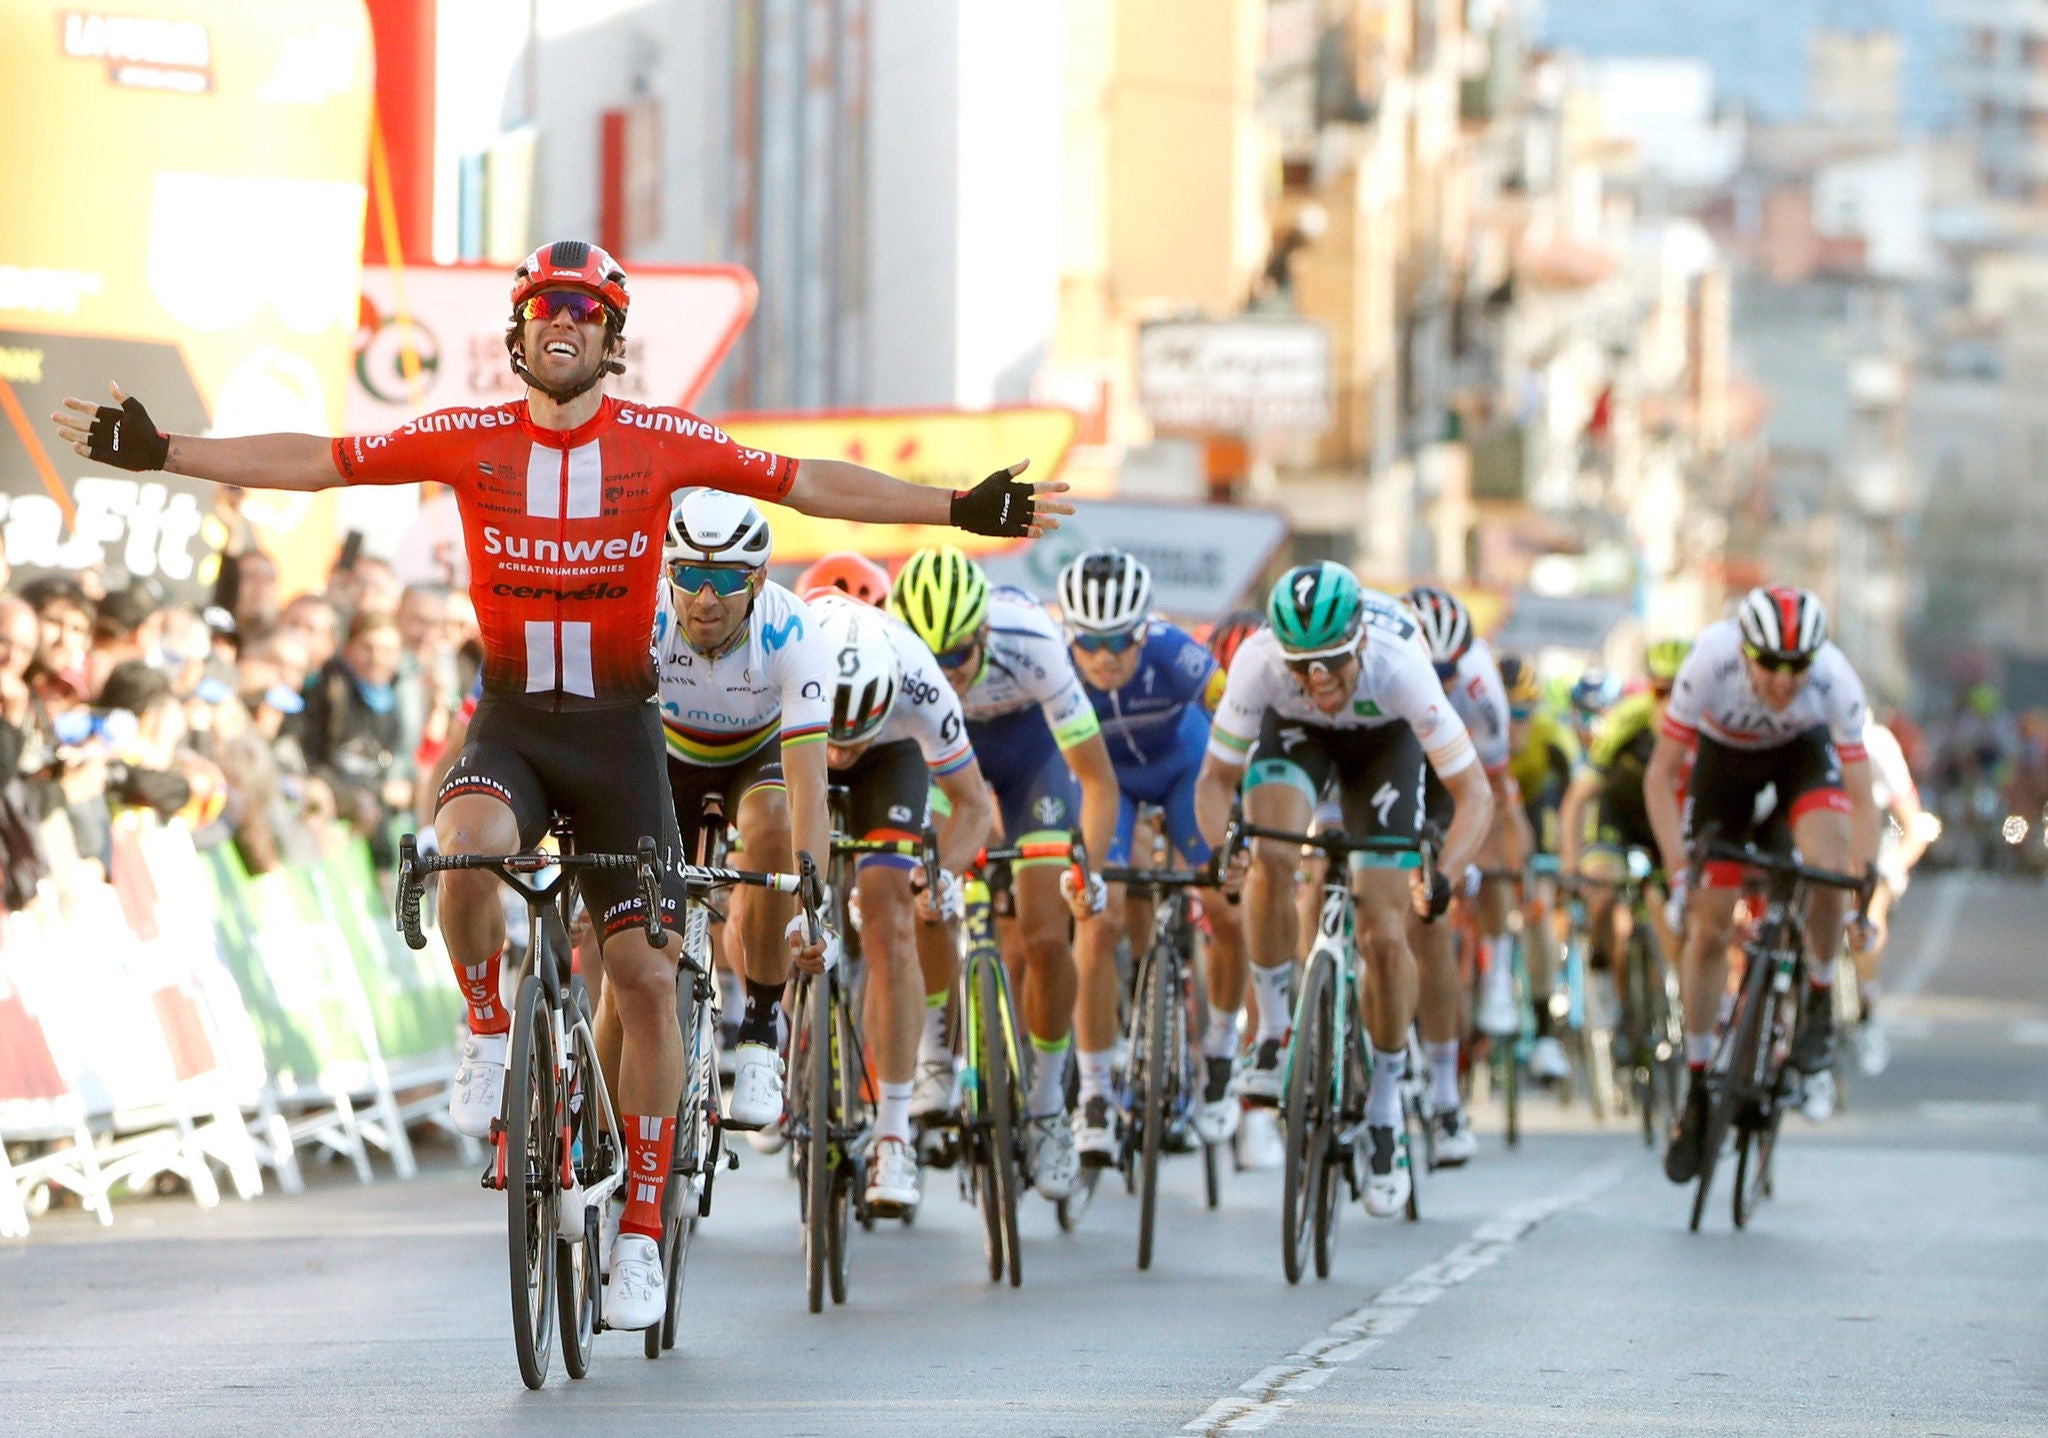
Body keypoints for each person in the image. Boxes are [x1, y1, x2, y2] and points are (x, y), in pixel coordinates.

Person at [52, 237, 1069, 1332]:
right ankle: (488, 1027)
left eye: (584, 312)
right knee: (464, 847)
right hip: (514, 722)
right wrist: (167, 452)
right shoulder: (467, 436)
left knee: (637, 974)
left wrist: (959, 505)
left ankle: (639, 1230)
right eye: (544, 307)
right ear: (519, 330)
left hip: (621, 734)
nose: (562, 323)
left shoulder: (660, 441)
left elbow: (812, 484)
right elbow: (321, 458)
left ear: (610, 339)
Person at [1193, 562, 1495, 1216]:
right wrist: (1226, 851)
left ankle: (1385, 1109)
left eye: (1331, 662)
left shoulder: (1402, 665)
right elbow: (1216, 781)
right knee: (1273, 852)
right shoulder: (1260, 663)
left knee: (1386, 931)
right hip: (1297, 737)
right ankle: (1273, 1032)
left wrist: (1442, 874)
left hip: (1383, 745)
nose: (1319, 680)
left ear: (1360, 642)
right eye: (1303, 667)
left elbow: (1476, 794)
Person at [889, 546, 1119, 1201]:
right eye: (930, 660)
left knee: (1047, 931)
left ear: (984, 635)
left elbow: (1098, 781)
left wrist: (1090, 872)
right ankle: (935, 1057)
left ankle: (1048, 1108)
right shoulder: (892, 650)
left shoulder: (1035, 644)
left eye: (957, 657)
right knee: (924, 887)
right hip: (937, 752)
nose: (946, 673)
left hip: (1029, 758)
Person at [1649, 585, 1879, 1185]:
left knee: (1828, 870)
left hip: (1800, 760)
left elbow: (1861, 797)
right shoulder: (1710, 661)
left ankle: (1820, 1003)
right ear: (1744, 651)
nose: (1783, 680)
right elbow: (1660, 777)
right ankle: (1699, 1090)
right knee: (1708, 927)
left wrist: (1865, 881)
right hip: (1723, 770)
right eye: (1771, 664)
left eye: (1797, 666)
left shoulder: (1834, 678)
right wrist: (1680, 873)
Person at [1055, 549, 1247, 1156]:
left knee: (1225, 905)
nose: (1105, 658)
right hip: (1108, 784)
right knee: (1095, 920)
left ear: (1144, 631)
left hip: (1182, 768)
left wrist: (1239, 811)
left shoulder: (1178, 655)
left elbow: (1239, 721)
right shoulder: (1055, 667)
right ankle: (1092, 1093)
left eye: (1119, 642)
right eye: (1090, 643)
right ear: (1070, 638)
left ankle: (1219, 1048)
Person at [809, 594, 995, 1215]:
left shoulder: (921, 681)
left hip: (892, 758)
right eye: (838, 743)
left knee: (891, 918)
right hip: (791, 734)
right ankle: (763, 1027)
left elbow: (973, 806)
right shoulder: (780, 654)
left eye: (850, 741)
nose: (841, 757)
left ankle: (894, 1133)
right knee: (768, 874)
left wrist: (940, 874)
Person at [1402, 585, 1529, 1163]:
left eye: (1447, 670)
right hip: (1389, 757)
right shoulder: (1381, 661)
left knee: (1429, 916)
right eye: (1431, 670)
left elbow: (1492, 795)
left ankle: (1446, 1087)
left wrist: (1469, 862)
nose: (1441, 678)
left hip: (1453, 776)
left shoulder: (1479, 687)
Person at [1558, 638, 1690, 1061]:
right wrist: (1570, 861)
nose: (1668, 703)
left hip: (1665, 822)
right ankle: (1601, 975)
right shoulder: (1625, 723)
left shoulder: (1705, 724)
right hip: (1618, 816)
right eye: (1659, 691)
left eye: (1679, 691)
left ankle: (1670, 995)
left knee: (1668, 909)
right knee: (1603, 896)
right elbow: (1578, 799)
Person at [1493, 654, 1579, 1072]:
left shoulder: (1551, 737)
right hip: (1488, 807)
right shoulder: (1474, 731)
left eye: (1525, 713)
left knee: (1538, 908)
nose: (1515, 726)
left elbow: (1573, 805)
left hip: (1535, 810)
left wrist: (1568, 859)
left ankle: (1545, 1032)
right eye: (1507, 714)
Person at [1846, 717, 1928, 1075]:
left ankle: (1866, 1005)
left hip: (1873, 836)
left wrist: (1894, 867)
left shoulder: (1878, 745)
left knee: (1871, 907)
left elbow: (1914, 824)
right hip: (1827, 828)